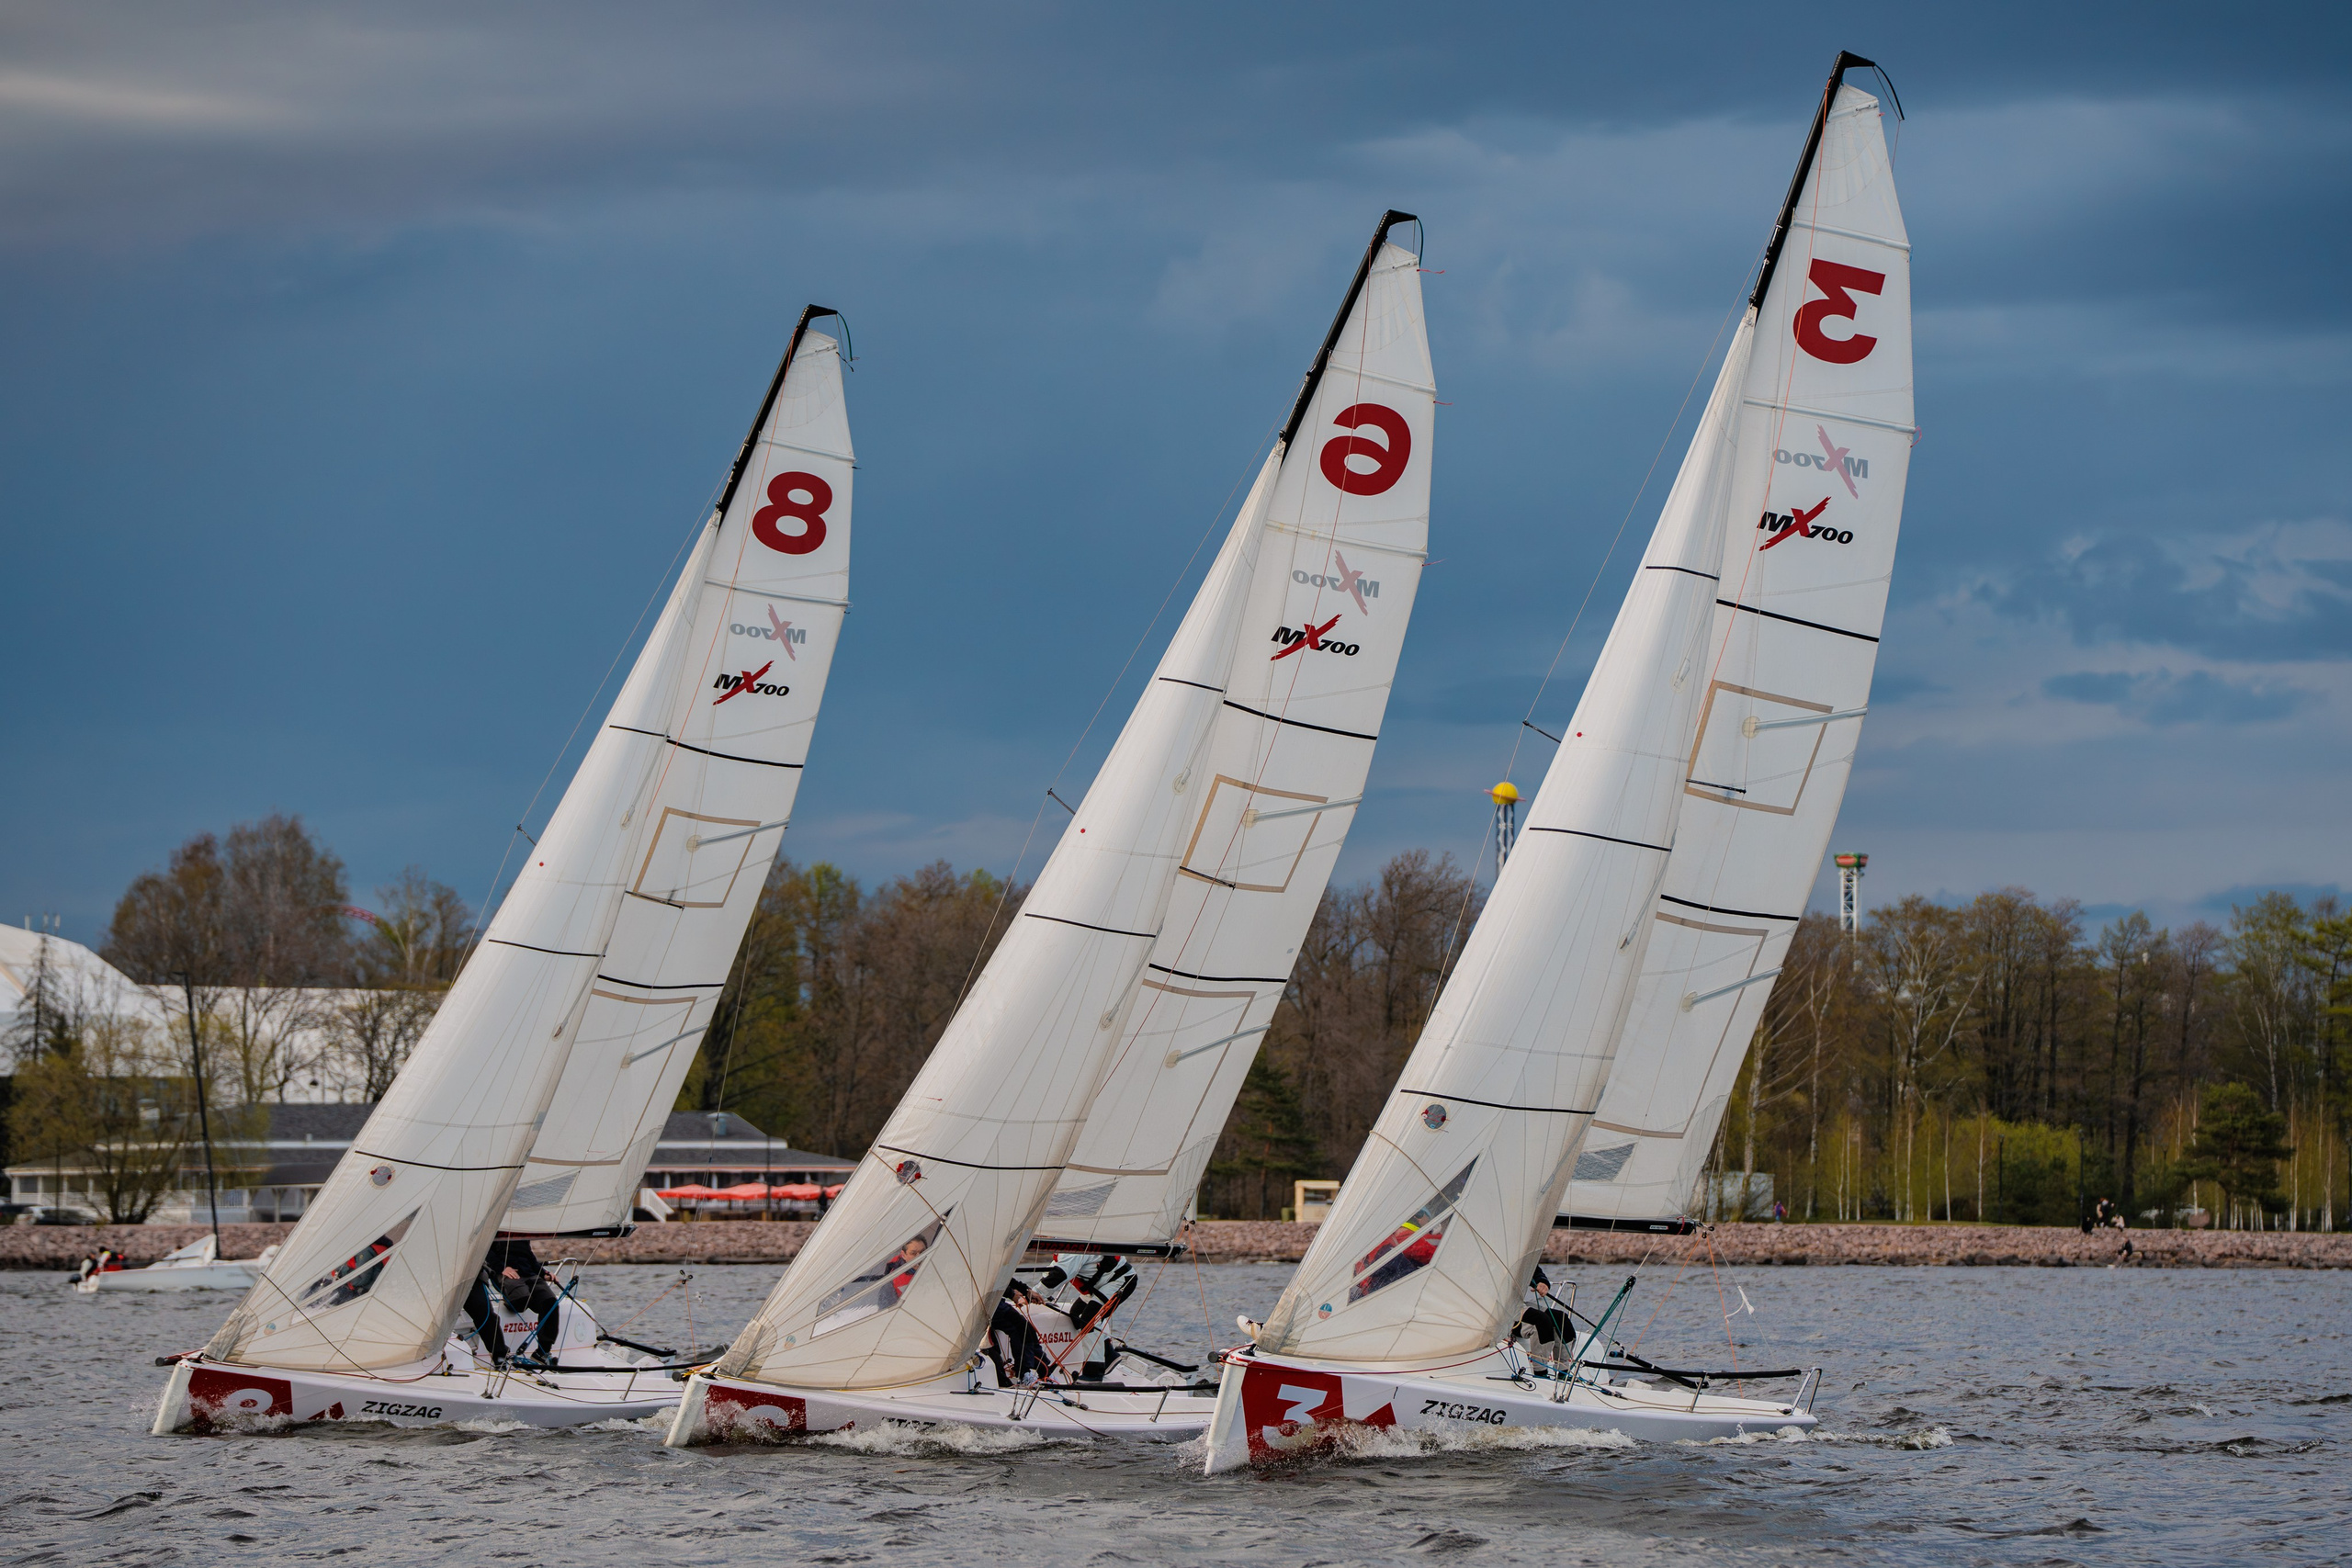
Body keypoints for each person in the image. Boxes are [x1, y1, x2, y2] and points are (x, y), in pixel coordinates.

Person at [1517, 1268, 1575, 1364]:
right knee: (1541, 1321)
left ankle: (1562, 1372)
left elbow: (1531, 1266)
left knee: (1561, 1319)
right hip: (1494, 1311)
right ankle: (1540, 1372)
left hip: (1515, 1304)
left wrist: (1541, 1281)